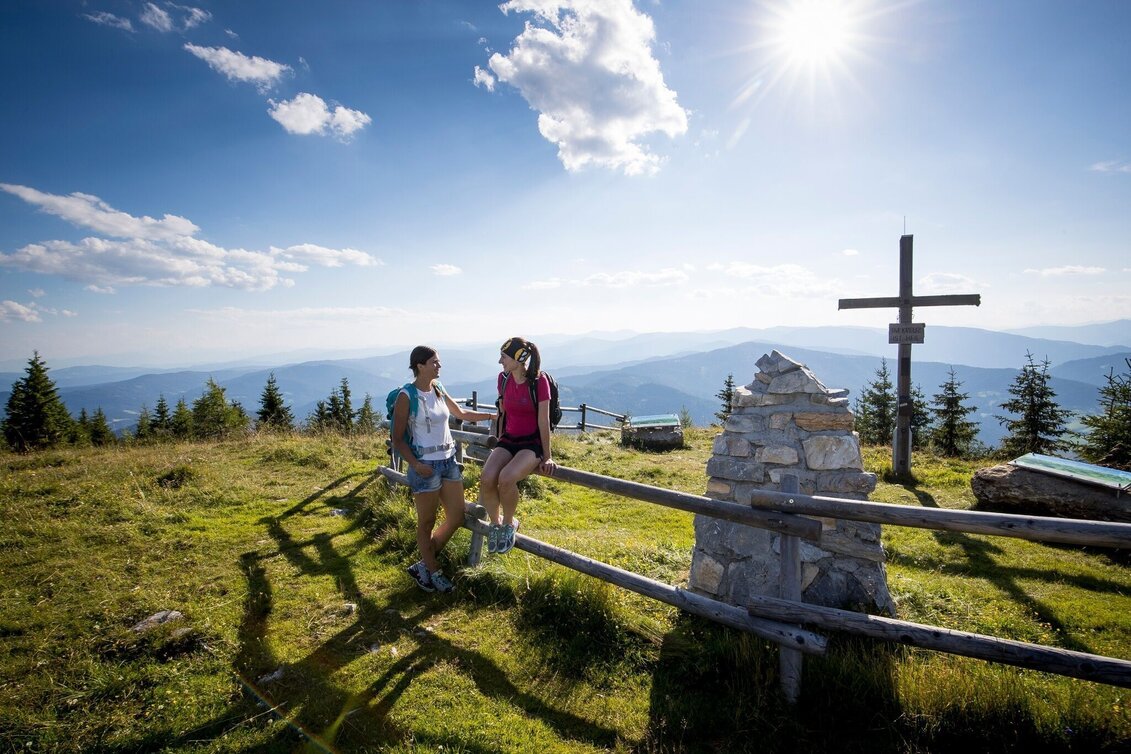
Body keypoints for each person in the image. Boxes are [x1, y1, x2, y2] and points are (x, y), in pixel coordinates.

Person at [392, 345, 493, 593]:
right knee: (426, 522)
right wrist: (416, 465)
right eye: (434, 362)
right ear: (420, 366)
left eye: (438, 361)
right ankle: (434, 571)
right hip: (425, 465)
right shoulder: (406, 396)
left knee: (457, 517)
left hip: (448, 461)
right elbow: (397, 439)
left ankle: (424, 565)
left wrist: (491, 417)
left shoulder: (438, 388)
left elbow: (460, 413)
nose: (439, 366)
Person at [479, 337, 556, 554]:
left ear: (518, 358)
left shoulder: (539, 382)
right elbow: (503, 411)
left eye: (503, 357)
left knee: (506, 478)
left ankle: (509, 524)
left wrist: (547, 456)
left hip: (532, 442)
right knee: (486, 478)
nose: (499, 361)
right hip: (509, 439)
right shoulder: (503, 380)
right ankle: (496, 523)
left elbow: (543, 421)